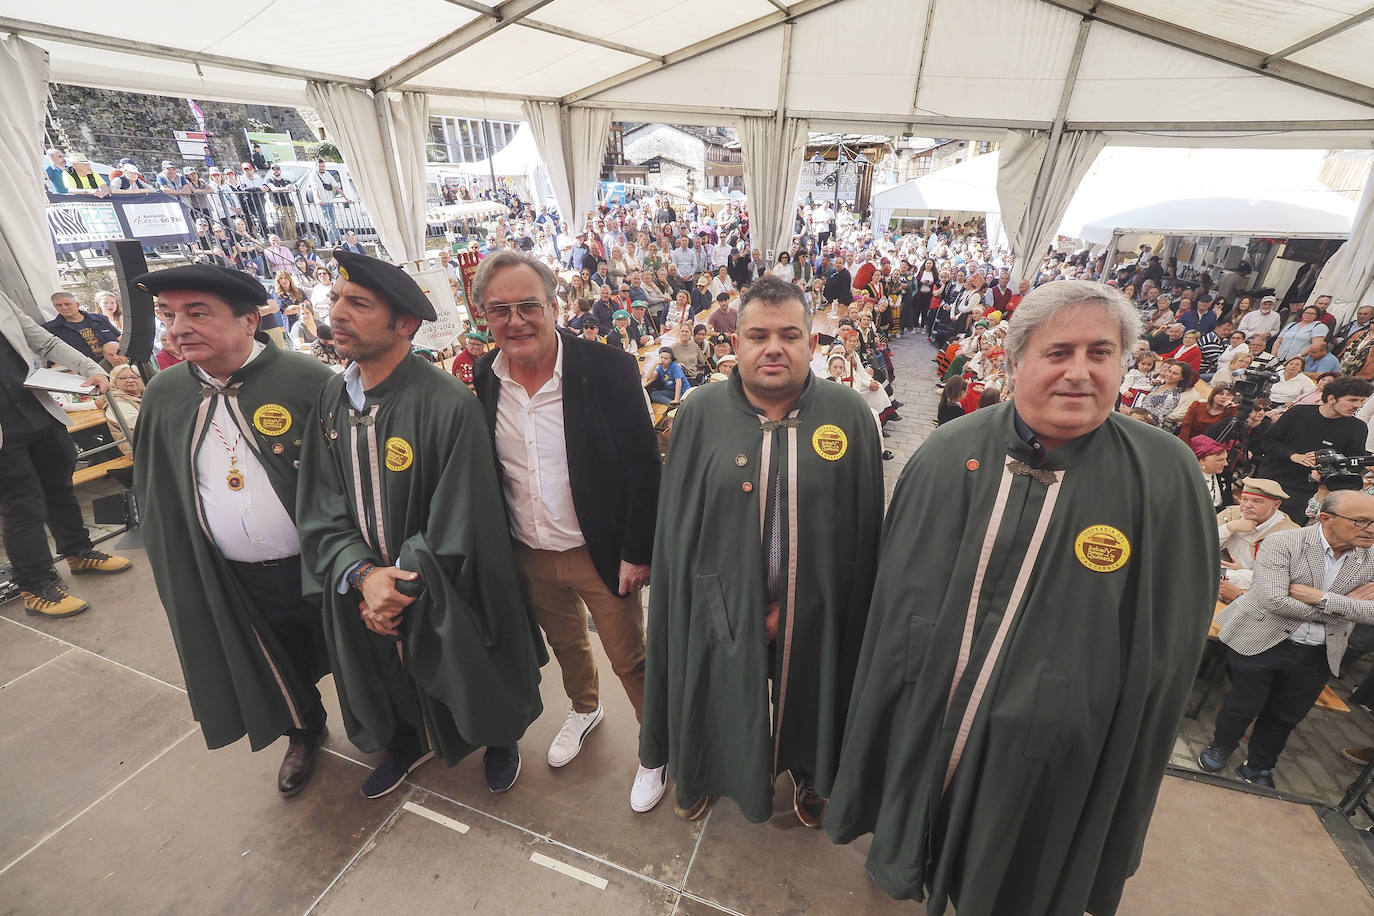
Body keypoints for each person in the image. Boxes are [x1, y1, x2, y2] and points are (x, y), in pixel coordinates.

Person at [827, 280, 1217, 915]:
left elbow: (1169, 644)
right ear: (1014, 363)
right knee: (918, 832)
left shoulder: (1165, 476)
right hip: (930, 714)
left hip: (1053, 749)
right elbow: (894, 597)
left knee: (1014, 875)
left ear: (1124, 364)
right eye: (1057, 352)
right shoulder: (948, 454)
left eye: (1101, 353)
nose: (1079, 372)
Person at [296, 249, 546, 799]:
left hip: (449, 580)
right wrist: (363, 576)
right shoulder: (332, 399)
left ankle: (498, 739)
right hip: (367, 582)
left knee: (476, 666)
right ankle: (407, 741)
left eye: (358, 303)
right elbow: (319, 500)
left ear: (405, 324)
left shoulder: (449, 404)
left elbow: (464, 515)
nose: (337, 313)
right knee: (386, 673)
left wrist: (395, 586)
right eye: (337, 299)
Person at [641, 274, 884, 826]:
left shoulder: (849, 415)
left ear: (812, 344)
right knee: (718, 695)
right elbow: (679, 527)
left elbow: (863, 529)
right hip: (720, 604)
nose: (773, 347)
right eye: (758, 336)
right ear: (735, 344)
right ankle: (705, 771)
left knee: (815, 696)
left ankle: (811, 772)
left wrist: (807, 601)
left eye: (789, 335)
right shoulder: (700, 412)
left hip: (817, 607)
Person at [130, 263, 337, 796]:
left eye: (197, 313)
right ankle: (303, 731)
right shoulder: (165, 395)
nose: (178, 328)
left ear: (249, 321)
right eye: (169, 315)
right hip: (239, 576)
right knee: (276, 662)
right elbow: (160, 496)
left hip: (325, 565)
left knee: (357, 652)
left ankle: (388, 727)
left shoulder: (308, 380)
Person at [470, 250, 664, 812]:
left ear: (555, 306)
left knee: (629, 656)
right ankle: (584, 708)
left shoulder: (606, 369)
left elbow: (642, 464)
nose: (516, 320)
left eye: (529, 305)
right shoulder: (485, 375)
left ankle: (656, 747)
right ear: (485, 316)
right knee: (566, 643)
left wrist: (636, 550)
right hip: (529, 550)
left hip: (596, 550)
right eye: (500, 309)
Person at [1199, 490, 1374, 788]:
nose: (1371, 529)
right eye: (1361, 521)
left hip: (1319, 651)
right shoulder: (1286, 542)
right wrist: (1346, 608)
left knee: (1286, 715)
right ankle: (1221, 745)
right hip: (1261, 638)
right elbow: (1274, 600)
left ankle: (1259, 767)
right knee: (1244, 704)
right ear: (1325, 519)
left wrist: (1319, 597)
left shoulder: (1369, 557)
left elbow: (1371, 615)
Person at [0, 290, 129, 618]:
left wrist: (89, 368)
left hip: (36, 407)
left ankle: (79, 552)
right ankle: (35, 586)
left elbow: (42, 340)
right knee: (22, 505)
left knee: (59, 488)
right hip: (5, 429)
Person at [1216, 478, 1300, 602]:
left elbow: (1279, 579)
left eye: (1257, 501)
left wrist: (1242, 572)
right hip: (1218, 580)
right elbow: (1198, 545)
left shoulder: (1289, 534)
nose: (1247, 505)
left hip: (1252, 595)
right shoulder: (1230, 515)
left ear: (1276, 505)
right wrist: (1229, 528)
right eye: (1244, 499)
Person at [43, 292, 121, 361]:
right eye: (59, 305)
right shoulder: (51, 328)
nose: (64, 308)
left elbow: (119, 337)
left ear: (77, 304)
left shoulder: (100, 319)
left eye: (67, 304)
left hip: (114, 362)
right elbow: (49, 353)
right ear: (54, 307)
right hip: (84, 370)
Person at [104, 363, 142, 457]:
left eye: (134, 377)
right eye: (123, 378)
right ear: (114, 382)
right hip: (140, 450)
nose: (130, 380)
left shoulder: (146, 394)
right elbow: (143, 425)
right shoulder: (117, 403)